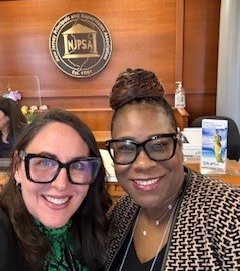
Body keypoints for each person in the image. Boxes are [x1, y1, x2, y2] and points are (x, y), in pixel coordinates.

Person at [104, 68, 240, 270]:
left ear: (179, 145)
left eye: (159, 145)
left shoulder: (230, 215)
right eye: (126, 147)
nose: (143, 164)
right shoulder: (118, 215)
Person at [0, 108, 111, 271]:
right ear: (17, 167)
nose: (61, 185)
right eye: (44, 162)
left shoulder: (99, 225)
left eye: (78, 165)